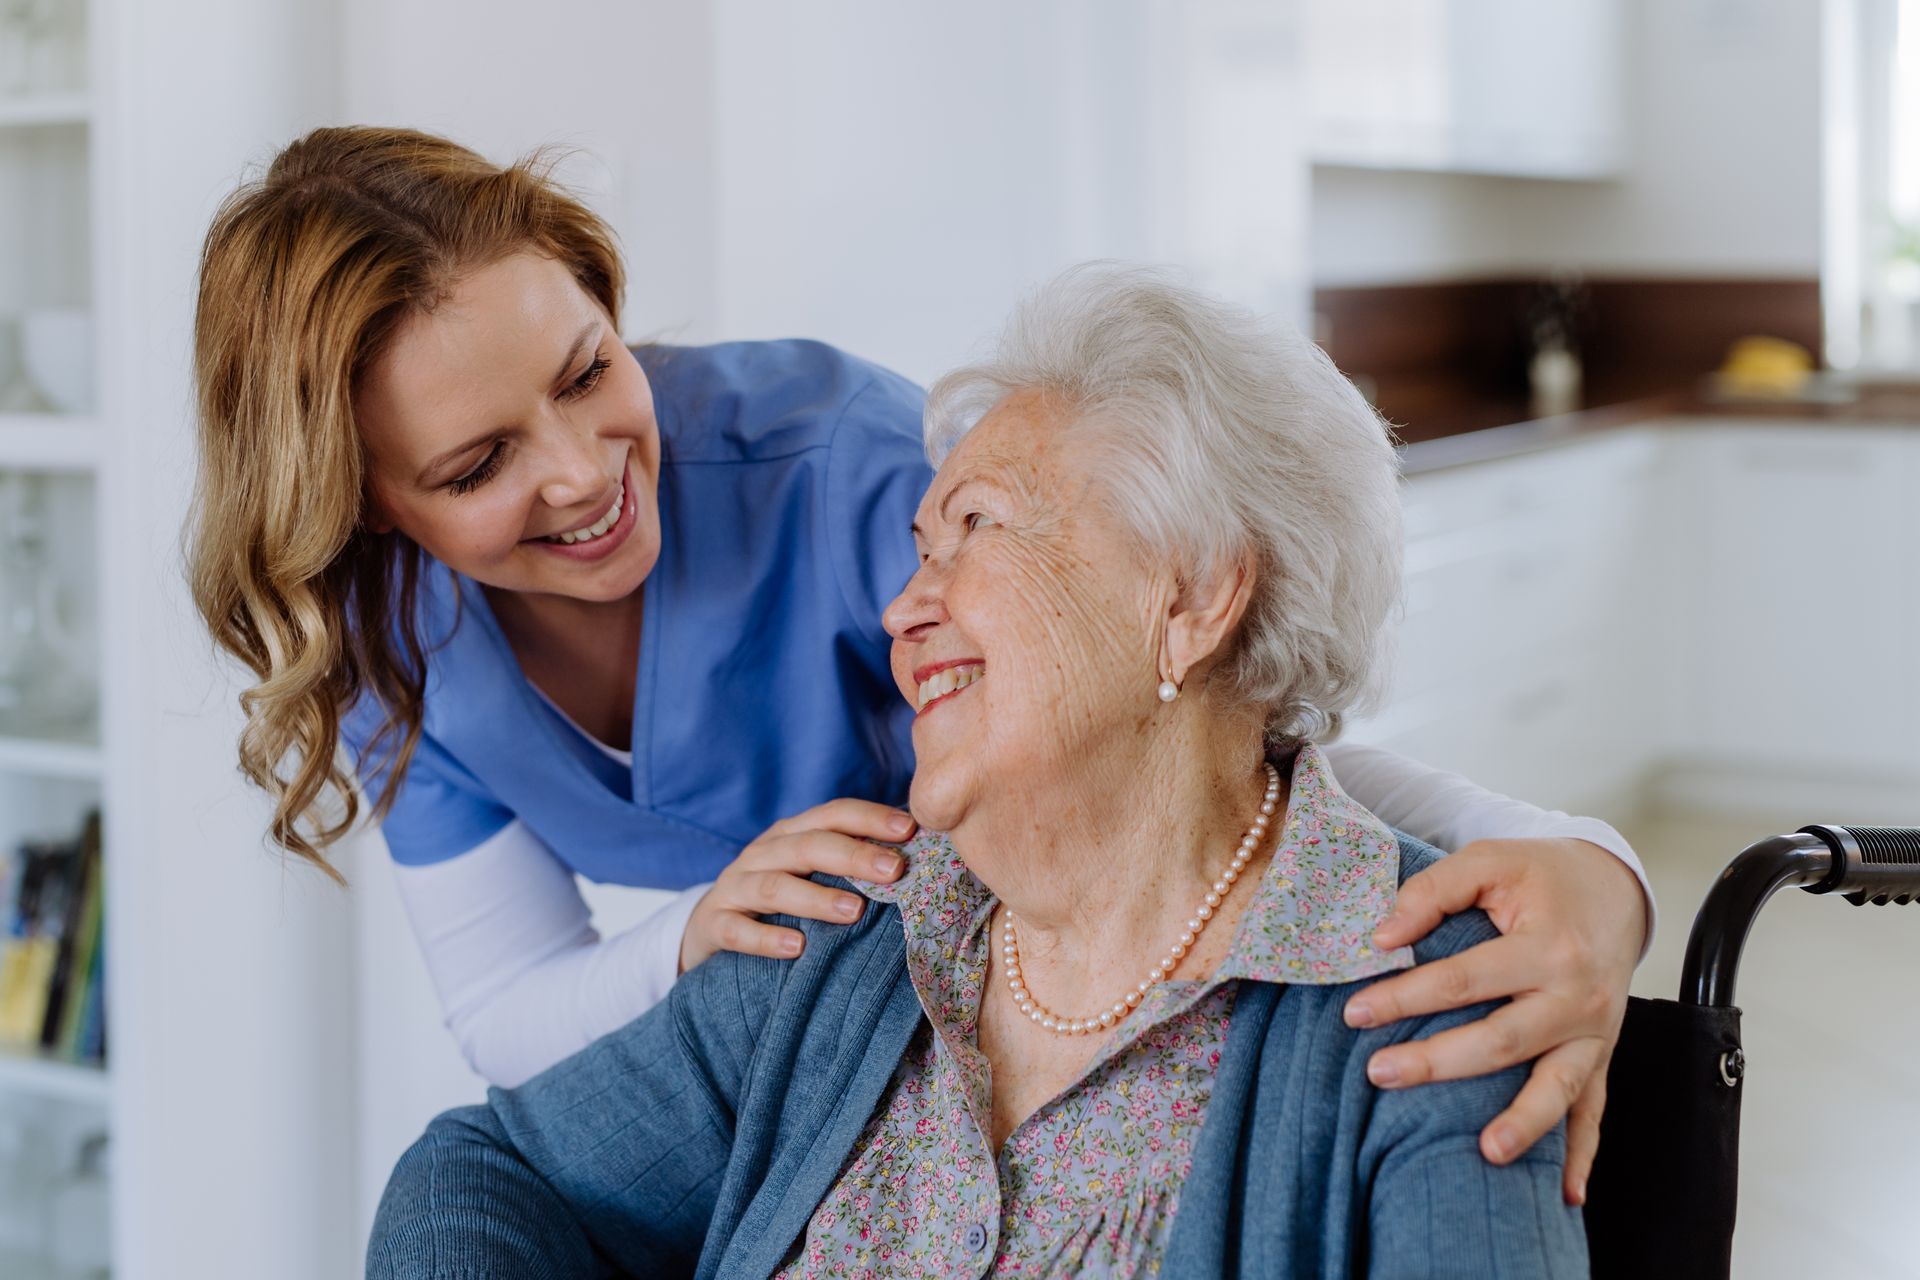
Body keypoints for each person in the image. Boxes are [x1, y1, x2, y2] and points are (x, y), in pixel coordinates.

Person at [188, 127, 1648, 1198]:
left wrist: (1565, 854)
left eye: (588, 371)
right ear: (369, 502)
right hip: (829, 1029)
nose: (583, 474)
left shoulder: (843, 469)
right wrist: (695, 936)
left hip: (1081, 1001)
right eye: (479, 462)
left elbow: (1198, 719)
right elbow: (511, 1011)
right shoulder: (387, 636)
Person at [369, 267, 1590, 1277]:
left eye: (976, 528)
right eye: (917, 542)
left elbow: (1262, 779)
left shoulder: (1430, 1012)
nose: (899, 607)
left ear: (1193, 594)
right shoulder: (844, 942)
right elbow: (477, 1171)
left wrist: (1596, 868)